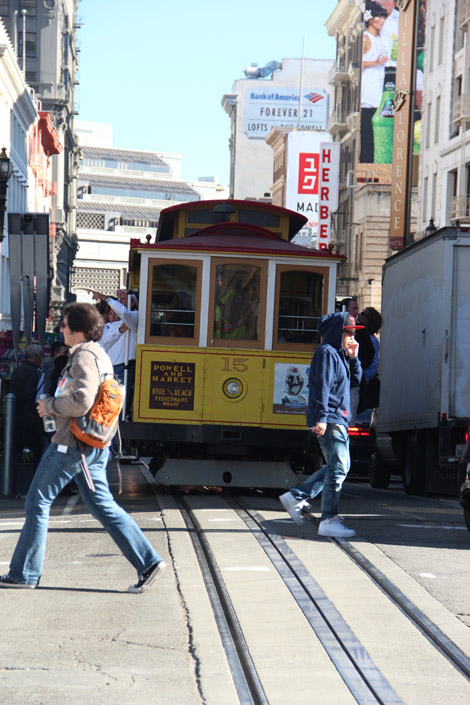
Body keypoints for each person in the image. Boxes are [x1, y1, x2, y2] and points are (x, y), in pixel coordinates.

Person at [0, 303, 166, 592]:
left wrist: (48, 406)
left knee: (37, 502)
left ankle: (24, 574)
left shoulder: (84, 358)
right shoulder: (96, 353)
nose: (60, 328)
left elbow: (81, 401)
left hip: (72, 446)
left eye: (64, 324)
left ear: (77, 330)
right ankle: (148, 562)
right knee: (101, 505)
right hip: (88, 444)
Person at [279, 312, 363, 538]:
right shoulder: (327, 353)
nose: (353, 337)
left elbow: (354, 382)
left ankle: (297, 496)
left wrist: (354, 358)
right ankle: (328, 519)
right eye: (350, 332)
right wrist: (322, 418)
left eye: (354, 333)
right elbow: (321, 388)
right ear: (338, 331)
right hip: (331, 419)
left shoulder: (339, 354)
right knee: (339, 467)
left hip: (337, 418)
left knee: (338, 466)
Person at [360, 1, 389, 163]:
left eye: (383, 17)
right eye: (378, 16)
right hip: (367, 93)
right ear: (370, 18)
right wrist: (376, 63)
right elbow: (358, 65)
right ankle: (366, 162)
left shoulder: (380, 38)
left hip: (378, 91)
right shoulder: (365, 38)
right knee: (368, 132)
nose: (381, 20)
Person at [10, 344, 44, 473]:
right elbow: (29, 394)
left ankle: (10, 487)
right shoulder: (33, 372)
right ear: (35, 357)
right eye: (40, 357)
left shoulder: (17, 370)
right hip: (28, 419)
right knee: (38, 451)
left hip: (15, 417)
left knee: (14, 454)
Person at [356, 307, 382, 413]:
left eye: (363, 314)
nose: (359, 315)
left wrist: (361, 380)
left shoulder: (372, 341)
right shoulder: (358, 336)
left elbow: (373, 365)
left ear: (368, 320)